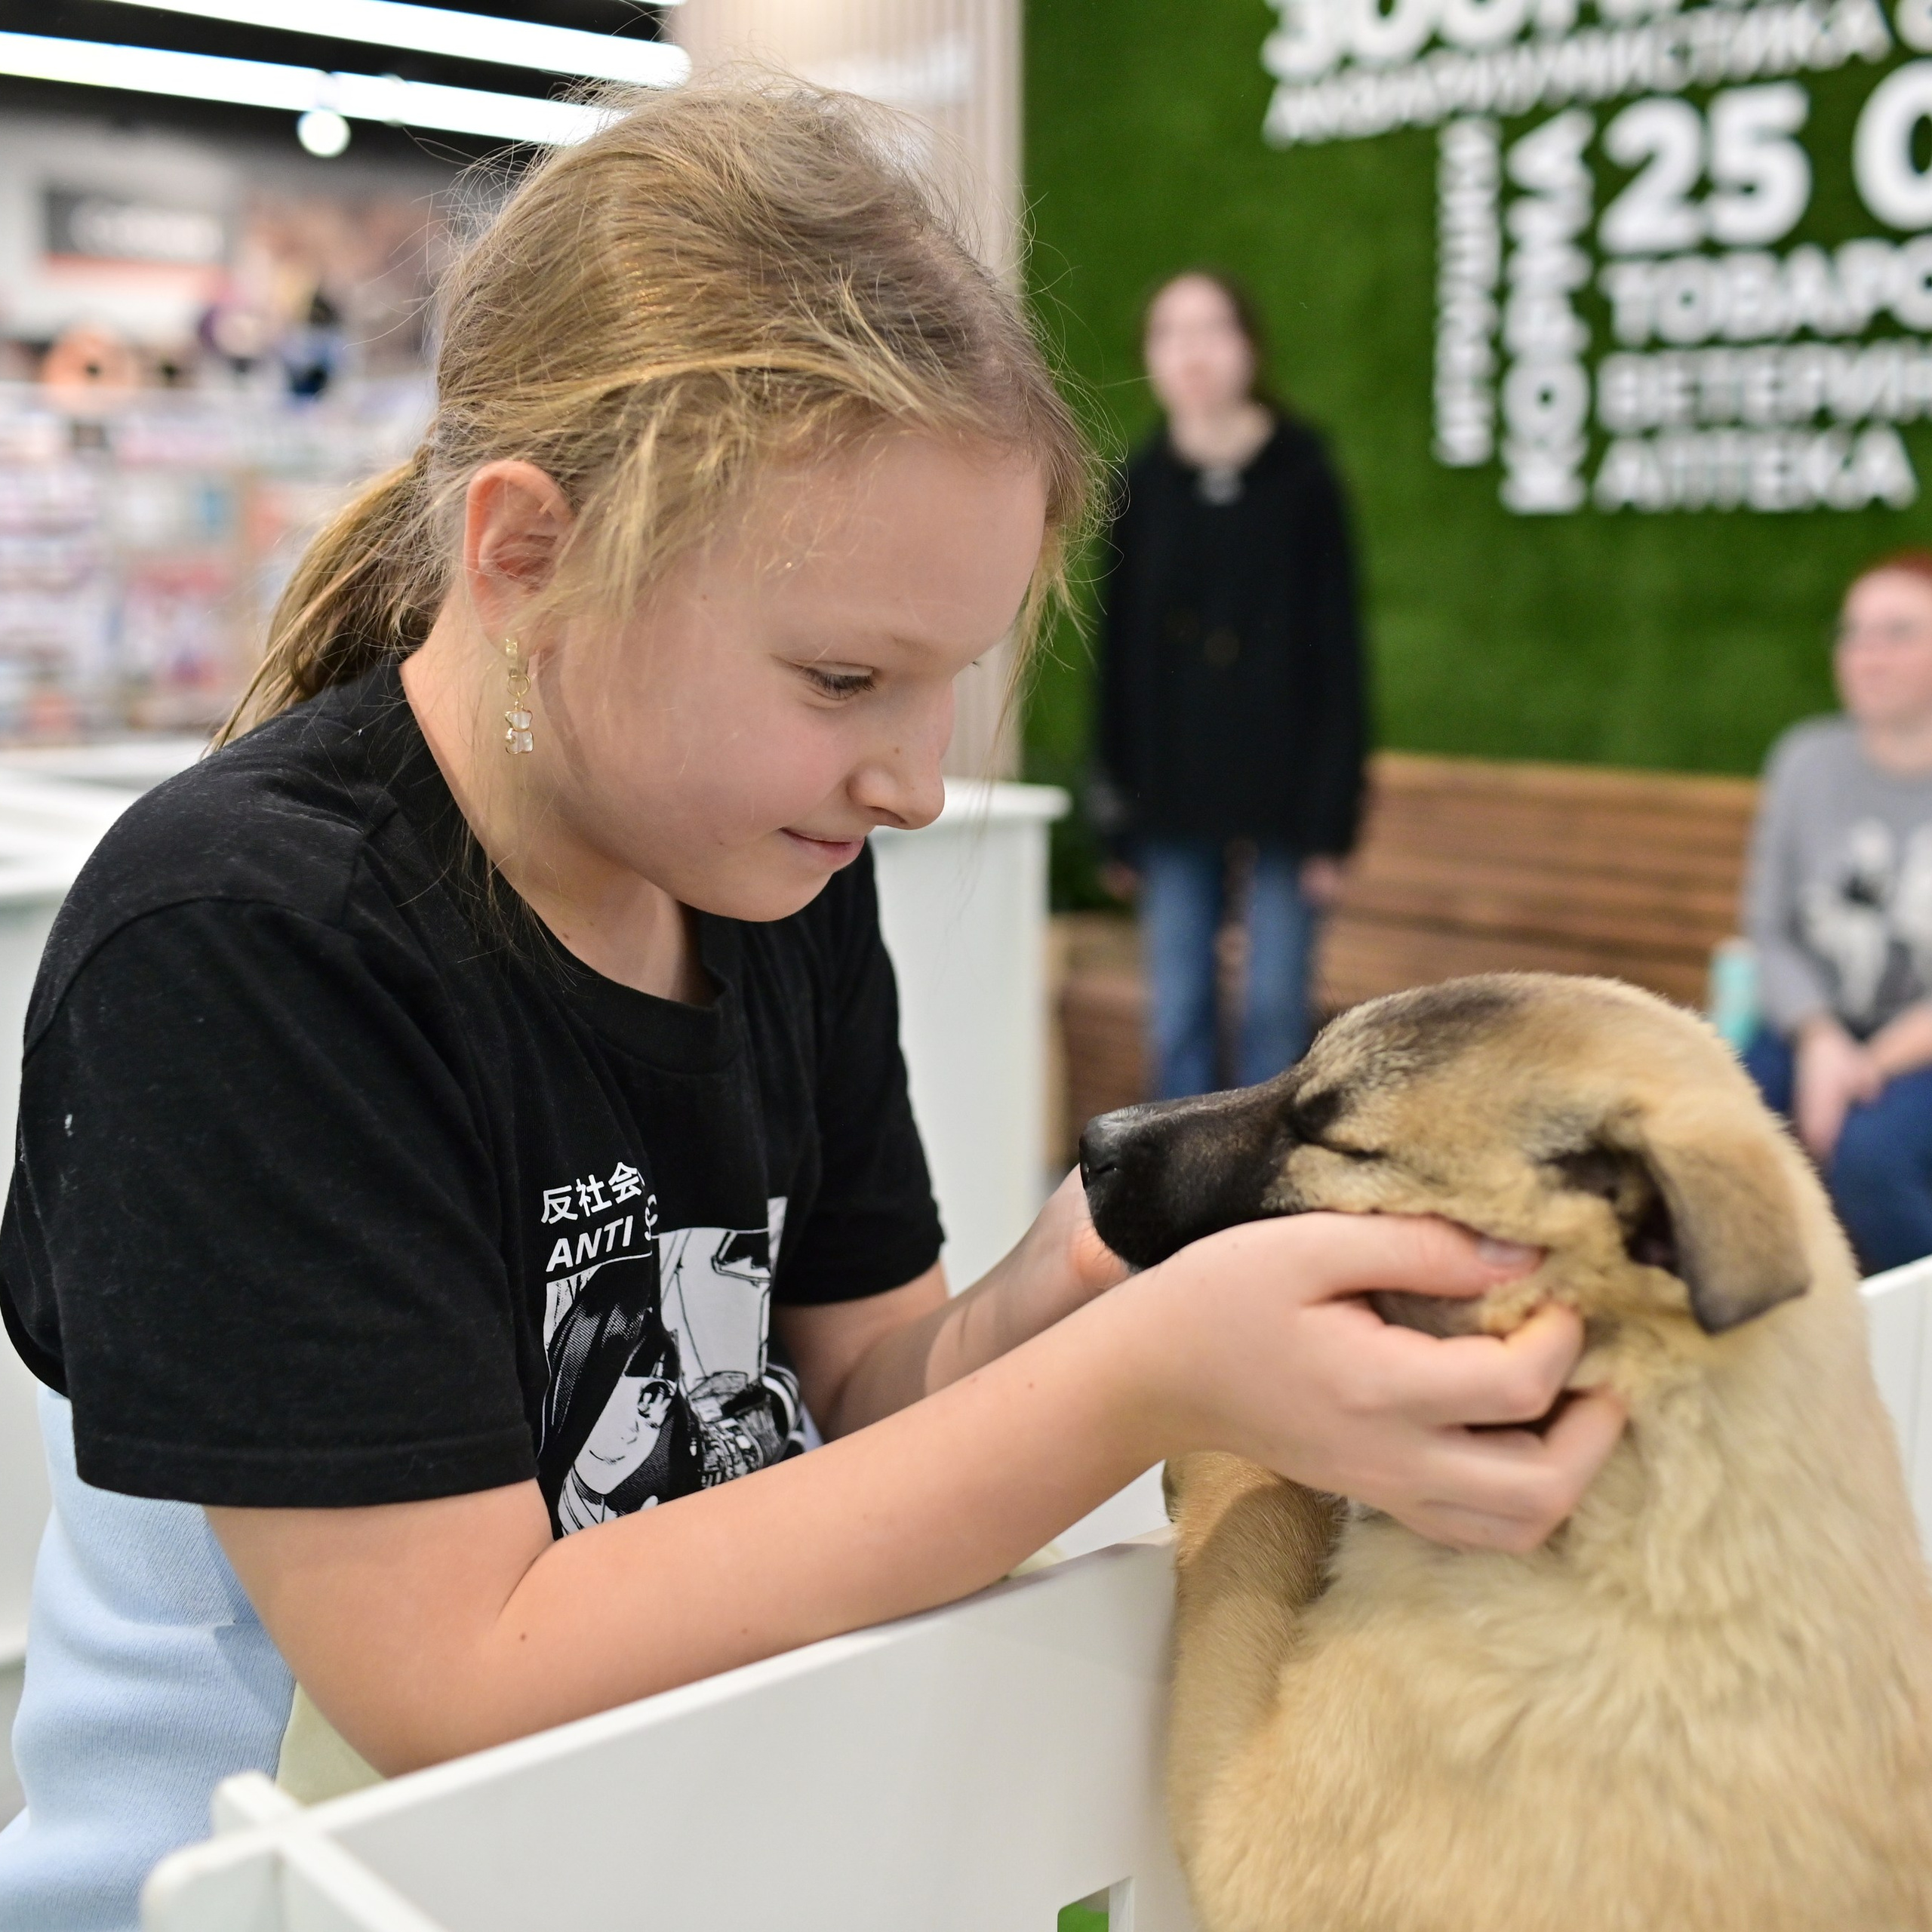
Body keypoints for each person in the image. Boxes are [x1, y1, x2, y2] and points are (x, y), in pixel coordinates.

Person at [0, 84, 1623, 1932]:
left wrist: (1093, 1269)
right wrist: (1146, 1380)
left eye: (939, 687)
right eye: (844, 675)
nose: (913, 782)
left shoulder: (756, 861)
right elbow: (464, 1672)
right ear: (526, 553)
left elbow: (860, 1396)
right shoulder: (242, 939)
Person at [1091, 269, 1367, 1100]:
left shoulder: (1302, 475)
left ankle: (1266, 1210)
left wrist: (1331, 824)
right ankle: (1174, 1203)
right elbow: (1120, 656)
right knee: (1175, 1014)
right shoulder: (1140, 484)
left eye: (1211, 329)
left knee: (1275, 1016)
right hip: (1174, 797)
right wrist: (1115, 810)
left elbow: (1339, 650)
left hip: (1286, 799)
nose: (1192, 352)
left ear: (1248, 346)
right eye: (1170, 334)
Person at [1743, 548, 1932, 1273]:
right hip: (1810, 1023)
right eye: (1854, 633)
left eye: (1898, 632)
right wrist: (1822, 1042)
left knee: (1871, 1161)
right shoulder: (1805, 760)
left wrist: (1866, 1067)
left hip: (1915, 1044)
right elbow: (1770, 930)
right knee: (1719, 1130)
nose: (1867, 656)